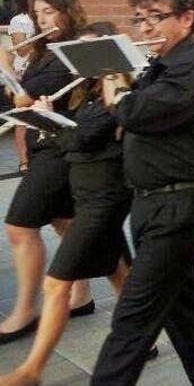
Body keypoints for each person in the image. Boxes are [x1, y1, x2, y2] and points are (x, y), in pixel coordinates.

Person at [92, 0, 194, 385]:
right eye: (140, 19)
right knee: (186, 309)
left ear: (188, 18)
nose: (145, 28)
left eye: (157, 17)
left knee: (132, 321)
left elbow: (137, 113)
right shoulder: (167, 61)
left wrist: (116, 89)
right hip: (155, 201)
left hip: (176, 205)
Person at [0, 22, 139, 386]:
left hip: (103, 198)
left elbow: (86, 137)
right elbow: (69, 138)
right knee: (119, 270)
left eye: (91, 51)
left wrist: (50, 123)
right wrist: (47, 118)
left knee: (56, 284)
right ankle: (143, 337)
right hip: (85, 193)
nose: (82, 59)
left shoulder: (116, 88)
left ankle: (31, 371)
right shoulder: (86, 91)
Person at [0, 0, 87, 346]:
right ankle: (81, 295)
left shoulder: (75, 49)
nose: (43, 20)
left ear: (68, 11)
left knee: (19, 227)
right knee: (65, 222)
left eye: (50, 12)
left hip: (60, 150)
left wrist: (7, 69)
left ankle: (24, 310)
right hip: (43, 147)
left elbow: (34, 93)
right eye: (38, 15)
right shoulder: (44, 51)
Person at [6, 0, 45, 172]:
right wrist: (42, 38)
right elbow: (21, 50)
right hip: (25, 71)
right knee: (23, 117)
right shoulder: (19, 20)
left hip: (43, 70)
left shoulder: (42, 19)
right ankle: (24, 161)